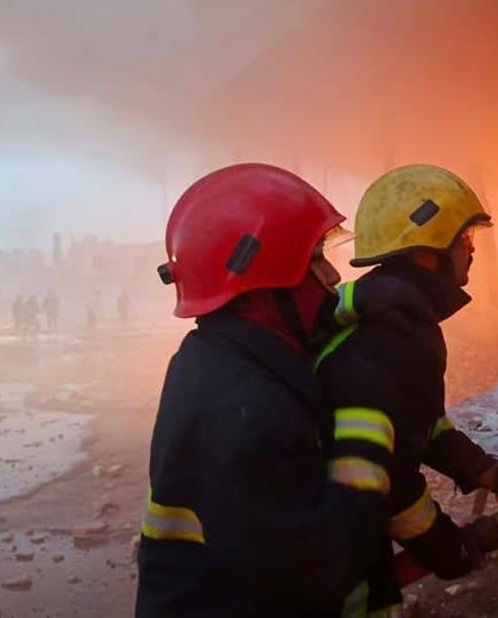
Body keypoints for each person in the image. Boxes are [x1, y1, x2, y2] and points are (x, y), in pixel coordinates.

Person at [137, 163, 407, 617]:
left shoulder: (221, 357)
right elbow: (321, 570)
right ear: (266, 285)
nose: (333, 278)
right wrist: (366, 422)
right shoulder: (242, 409)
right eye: (317, 260)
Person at [314, 164, 498, 614]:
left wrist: (488, 471)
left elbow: (417, 421)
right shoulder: (392, 337)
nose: (471, 252)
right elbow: (378, 475)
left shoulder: (394, 317)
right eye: (465, 239)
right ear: (425, 252)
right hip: (337, 557)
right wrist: (442, 542)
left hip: (338, 531)